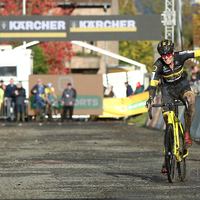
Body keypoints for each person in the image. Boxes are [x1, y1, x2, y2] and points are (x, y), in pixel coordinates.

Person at [146, 39, 200, 173]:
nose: (166, 58)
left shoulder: (180, 56)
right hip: (167, 91)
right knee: (168, 123)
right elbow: (153, 84)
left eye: (169, 54)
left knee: (191, 100)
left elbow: (196, 53)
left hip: (182, 86)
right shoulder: (157, 65)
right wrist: (151, 98)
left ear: (173, 52)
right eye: (163, 55)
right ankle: (167, 160)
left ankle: (187, 133)